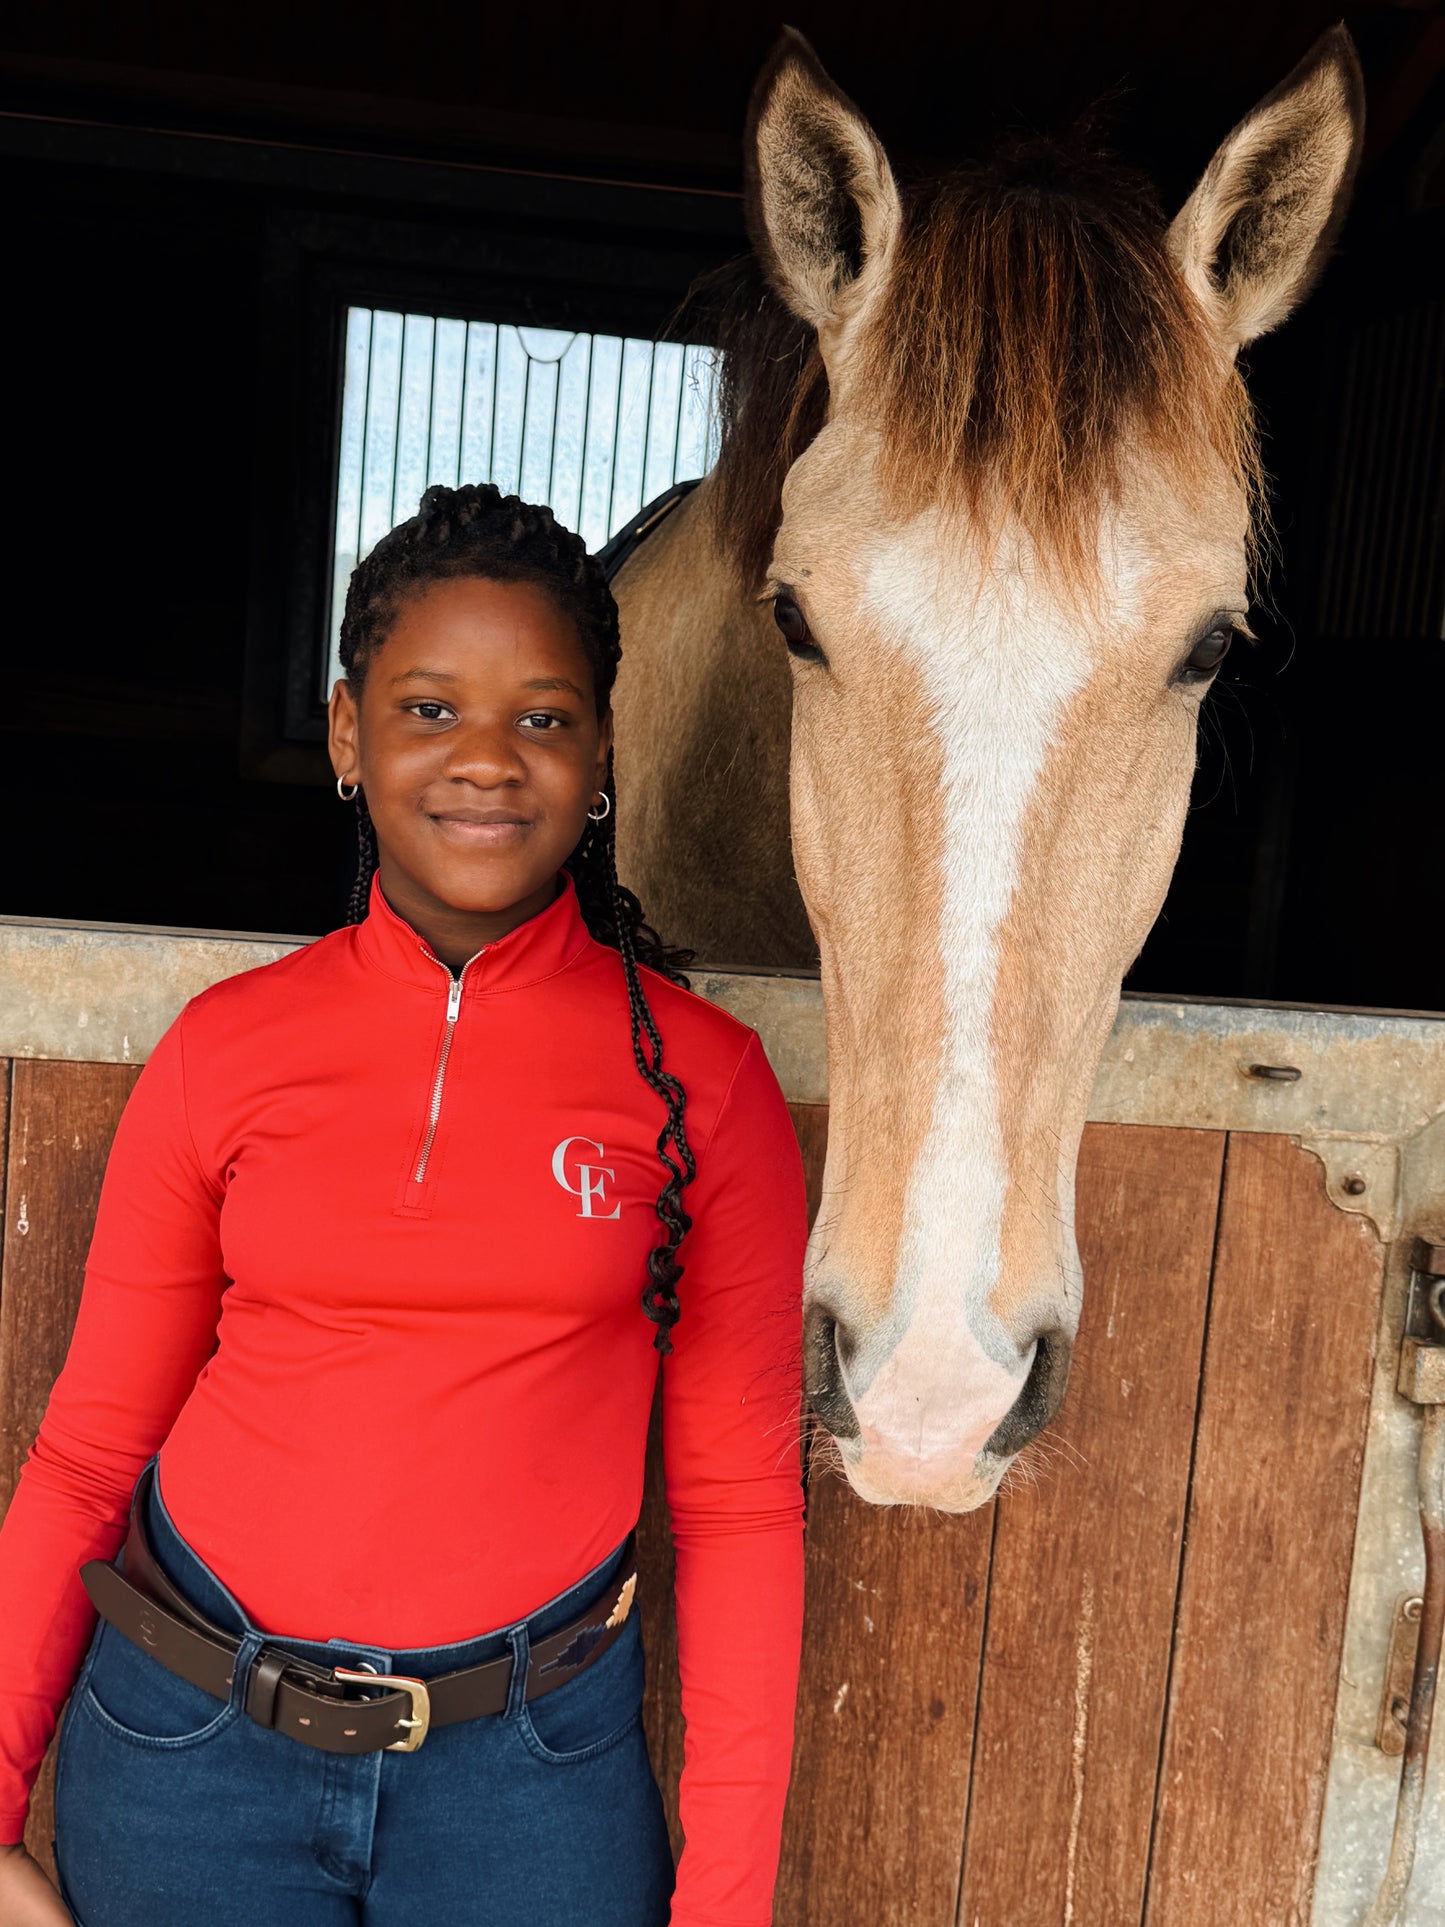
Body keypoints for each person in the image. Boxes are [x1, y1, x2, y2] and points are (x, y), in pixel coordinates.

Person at [0, 483, 808, 1926]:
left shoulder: (702, 1085)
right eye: (429, 709)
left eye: (544, 717)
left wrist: (727, 1907)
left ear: (604, 749)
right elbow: (85, 1455)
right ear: (344, 734)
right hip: (190, 1748)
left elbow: (740, 1512)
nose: (487, 762)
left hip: (530, 1778)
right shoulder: (226, 1050)